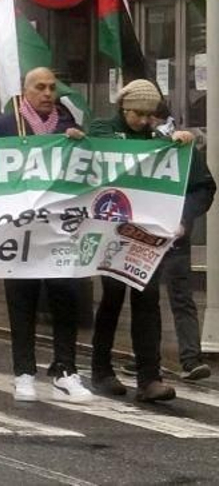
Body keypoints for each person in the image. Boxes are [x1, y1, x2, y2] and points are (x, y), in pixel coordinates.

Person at [0, 67, 94, 403]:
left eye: (51, 88)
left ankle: (65, 370)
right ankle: (24, 372)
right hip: (19, 233)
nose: (47, 93)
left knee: (66, 299)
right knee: (22, 303)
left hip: (60, 231)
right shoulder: (4, 125)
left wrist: (80, 143)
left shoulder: (67, 125)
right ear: (25, 91)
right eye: (40, 88)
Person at [86, 79, 194, 403]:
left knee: (147, 301)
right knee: (113, 297)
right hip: (112, 232)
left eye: (151, 116)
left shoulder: (157, 139)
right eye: (139, 115)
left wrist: (177, 143)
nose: (146, 121)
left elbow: (193, 180)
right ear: (124, 108)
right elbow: (95, 147)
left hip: (145, 237)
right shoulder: (105, 129)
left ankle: (150, 377)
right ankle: (101, 369)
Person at [150, 101, 216, 381]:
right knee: (151, 299)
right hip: (144, 236)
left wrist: (184, 219)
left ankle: (189, 358)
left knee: (177, 296)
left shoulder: (179, 148)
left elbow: (204, 187)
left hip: (171, 234)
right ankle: (152, 358)